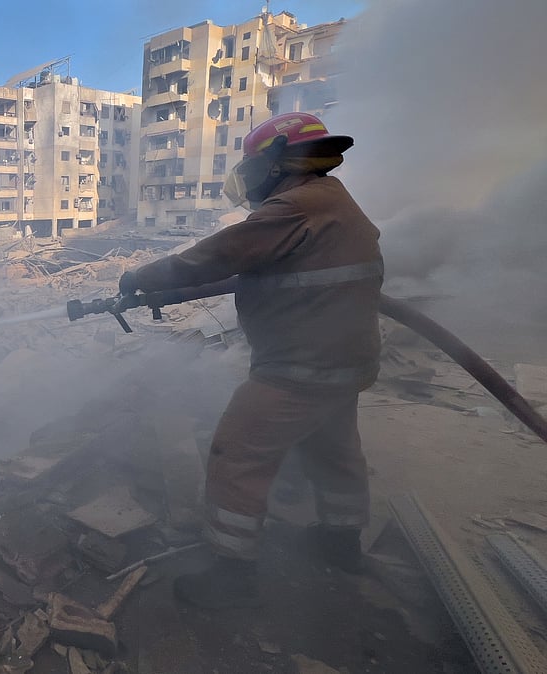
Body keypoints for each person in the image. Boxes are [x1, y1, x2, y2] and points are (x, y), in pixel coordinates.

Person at [119, 112, 384, 609]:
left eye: (256, 165)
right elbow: (265, 273)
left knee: (237, 455)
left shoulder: (294, 208)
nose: (252, 177)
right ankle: (341, 543)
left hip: (298, 367)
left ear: (279, 162)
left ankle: (230, 573)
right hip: (343, 362)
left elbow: (221, 254)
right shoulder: (336, 203)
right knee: (334, 451)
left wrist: (142, 277)